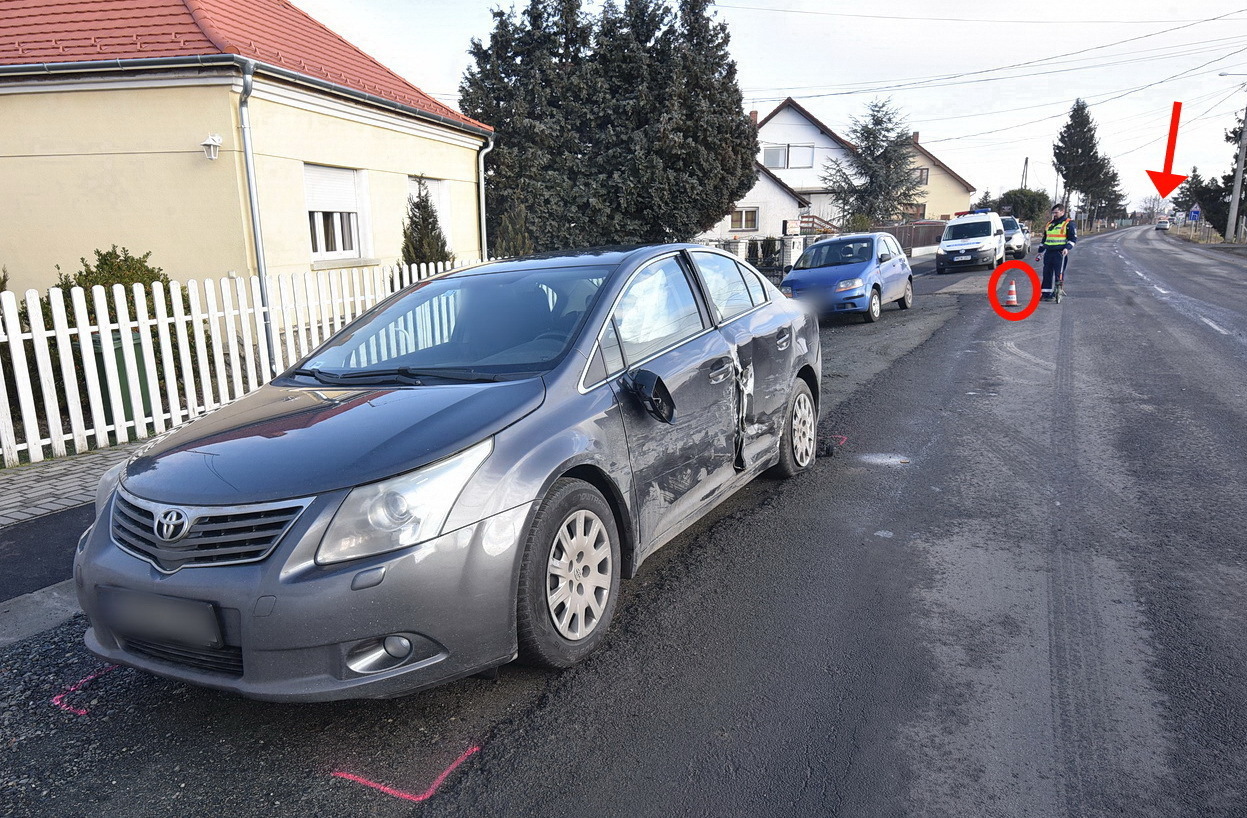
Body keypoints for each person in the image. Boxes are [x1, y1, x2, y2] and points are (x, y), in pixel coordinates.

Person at [1036, 203, 1076, 300]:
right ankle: (1046, 294)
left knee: (1059, 273)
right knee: (1047, 273)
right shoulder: (1049, 224)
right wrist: (1040, 252)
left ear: (1062, 212)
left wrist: (1067, 248)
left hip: (1060, 253)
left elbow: (1073, 239)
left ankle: (1057, 293)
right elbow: (1045, 239)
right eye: (1053, 212)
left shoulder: (1068, 224)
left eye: (1056, 212)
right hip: (1049, 252)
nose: (1054, 214)